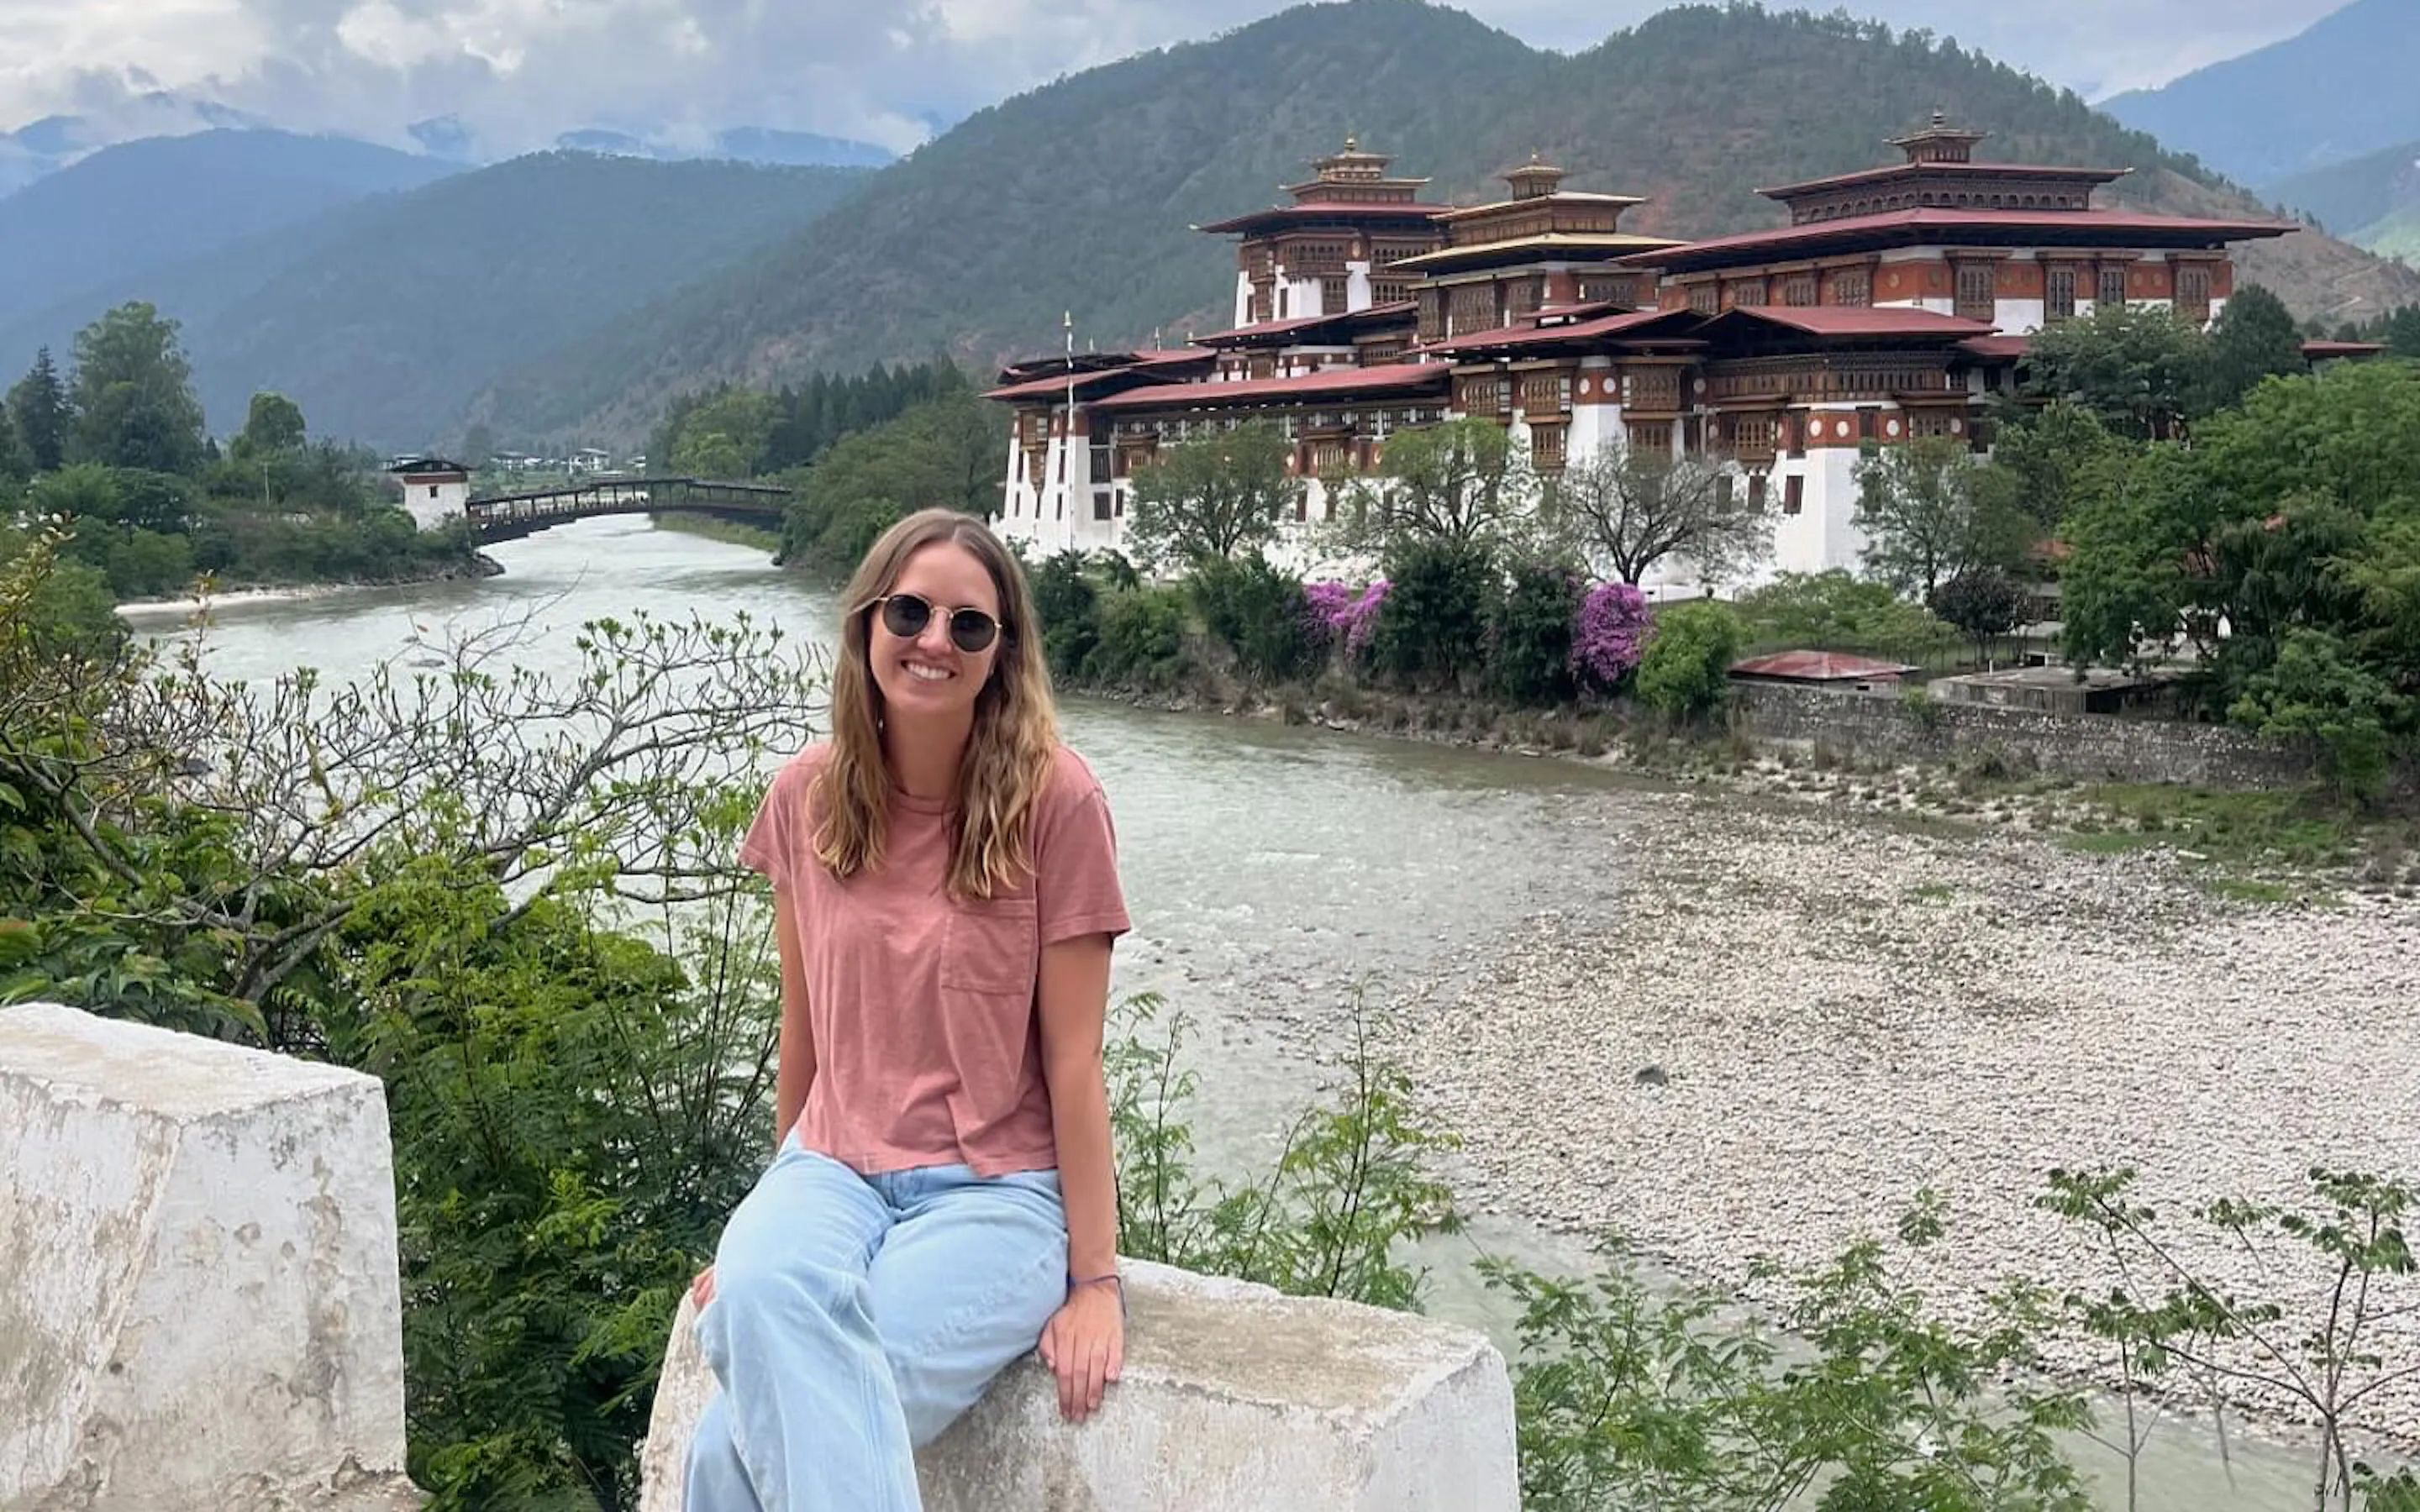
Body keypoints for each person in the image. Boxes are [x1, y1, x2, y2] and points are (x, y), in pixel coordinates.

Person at [683, 507, 1131, 1511]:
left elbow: (1074, 1063)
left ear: (1001, 654)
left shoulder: (1056, 805)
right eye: (911, 612)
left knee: (733, 1444)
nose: (935, 641)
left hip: (996, 1191)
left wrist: (1094, 1280)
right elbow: (805, 1027)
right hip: (831, 1166)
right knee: (764, 1309)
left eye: (968, 626)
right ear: (867, 624)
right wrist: (760, 1233)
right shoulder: (807, 794)